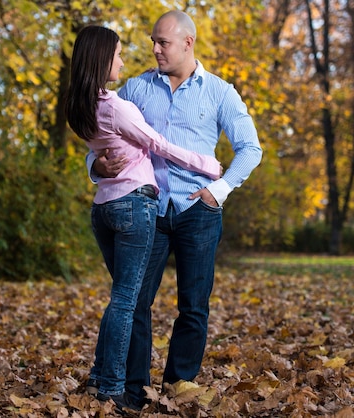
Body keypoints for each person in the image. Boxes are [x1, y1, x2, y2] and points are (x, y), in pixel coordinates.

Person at [87, 10, 263, 408]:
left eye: (162, 42)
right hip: (144, 210)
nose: (154, 49)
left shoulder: (220, 92)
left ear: (188, 43)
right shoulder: (134, 88)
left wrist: (218, 190)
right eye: (153, 41)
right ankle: (132, 392)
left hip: (197, 211)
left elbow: (250, 149)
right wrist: (96, 167)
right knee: (135, 302)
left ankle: (177, 389)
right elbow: (101, 139)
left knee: (193, 307)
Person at [64, 25, 222, 413]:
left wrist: (99, 164)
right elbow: (158, 145)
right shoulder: (120, 102)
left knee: (126, 300)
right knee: (127, 301)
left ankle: (103, 376)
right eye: (117, 54)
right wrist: (208, 165)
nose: (125, 59)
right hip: (134, 206)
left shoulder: (80, 106)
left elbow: (105, 146)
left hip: (104, 209)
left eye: (159, 42)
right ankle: (115, 388)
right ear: (102, 59)